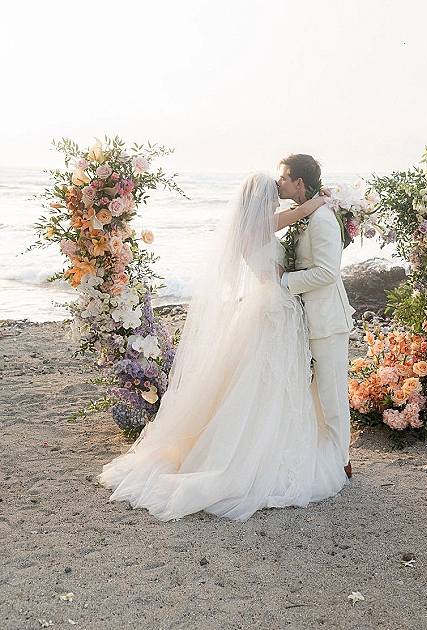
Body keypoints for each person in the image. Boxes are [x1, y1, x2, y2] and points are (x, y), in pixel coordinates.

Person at [98, 173, 347, 521]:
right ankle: (256, 456)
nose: (277, 200)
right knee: (267, 383)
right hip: (274, 310)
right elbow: (297, 214)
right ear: (260, 201)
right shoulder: (261, 225)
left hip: (271, 308)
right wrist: (326, 200)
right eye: (272, 194)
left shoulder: (252, 227)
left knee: (264, 382)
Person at [277, 154, 354, 478]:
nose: (278, 182)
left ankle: (342, 462)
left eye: (283, 177)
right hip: (308, 318)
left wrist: (284, 281)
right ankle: (325, 457)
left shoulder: (321, 219)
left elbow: (326, 272)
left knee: (332, 395)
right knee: (315, 394)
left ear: (299, 183)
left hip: (327, 320)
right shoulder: (303, 215)